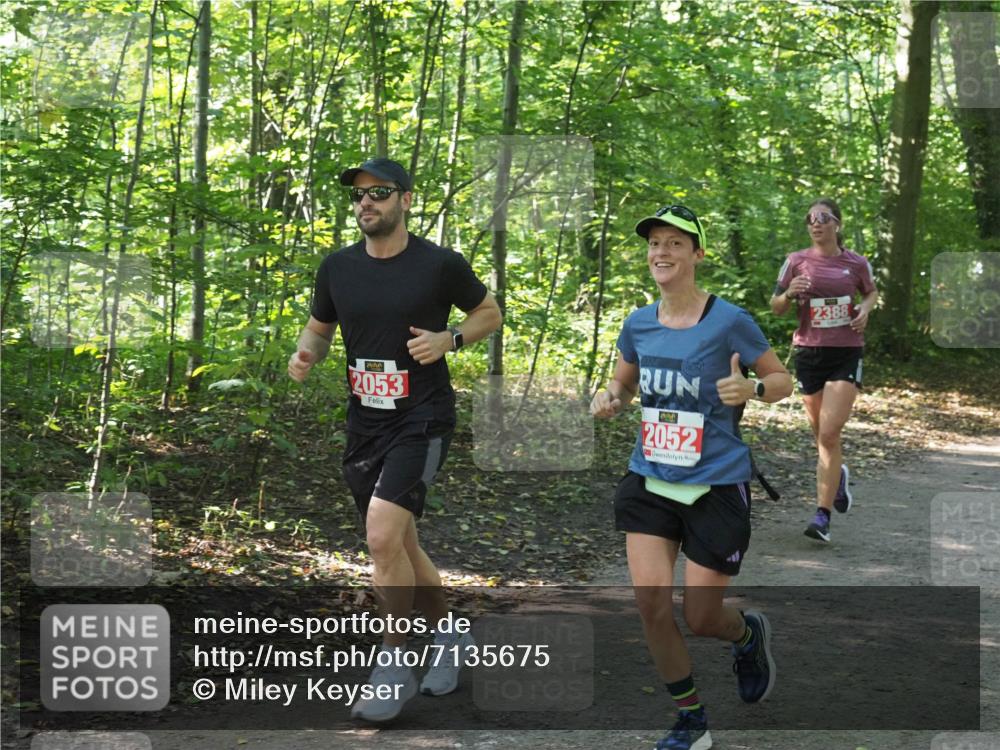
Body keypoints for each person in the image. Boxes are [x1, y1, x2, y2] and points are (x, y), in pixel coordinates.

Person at [288, 157, 502, 722]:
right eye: (359, 195)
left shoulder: (439, 264)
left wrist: (450, 338)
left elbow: (488, 313)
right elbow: (319, 328)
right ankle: (450, 637)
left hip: (422, 417)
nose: (366, 202)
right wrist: (306, 353)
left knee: (382, 535)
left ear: (405, 199)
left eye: (379, 192)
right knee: (400, 546)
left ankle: (393, 665)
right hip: (366, 421)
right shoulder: (337, 267)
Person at [591, 205, 793, 750]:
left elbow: (781, 379)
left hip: (715, 485)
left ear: (697, 254)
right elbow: (623, 383)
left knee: (701, 617)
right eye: (654, 243)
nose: (662, 252)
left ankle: (747, 634)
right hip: (650, 478)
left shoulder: (729, 321)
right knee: (651, 605)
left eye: (675, 243)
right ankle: (691, 720)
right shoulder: (638, 322)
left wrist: (752, 389)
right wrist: (610, 398)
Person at [770, 198, 878, 543]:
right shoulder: (795, 261)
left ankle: (822, 516)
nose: (815, 223)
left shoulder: (856, 263)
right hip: (809, 353)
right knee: (821, 437)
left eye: (823, 217)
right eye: (810, 218)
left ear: (837, 224)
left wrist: (865, 309)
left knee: (829, 434)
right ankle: (837, 478)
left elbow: (871, 293)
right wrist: (789, 294)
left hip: (845, 352)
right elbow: (775, 307)